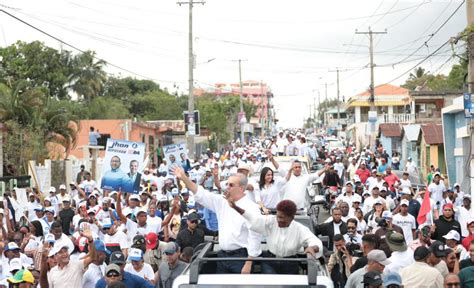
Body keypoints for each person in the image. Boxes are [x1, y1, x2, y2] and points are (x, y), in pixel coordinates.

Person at [172, 166, 262, 274]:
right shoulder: (222, 202)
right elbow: (202, 195)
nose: (227, 187)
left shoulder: (251, 208)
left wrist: (248, 263)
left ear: (242, 188)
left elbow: (255, 238)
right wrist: (184, 178)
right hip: (222, 256)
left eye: (231, 185)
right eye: (227, 184)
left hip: (241, 258)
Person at [229, 199, 323, 274]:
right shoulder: (271, 221)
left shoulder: (300, 229)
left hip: (290, 263)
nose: (278, 219)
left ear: (291, 218)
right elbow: (253, 218)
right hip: (270, 261)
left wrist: (312, 248)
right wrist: (235, 207)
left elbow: (314, 241)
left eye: (282, 217)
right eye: (277, 216)